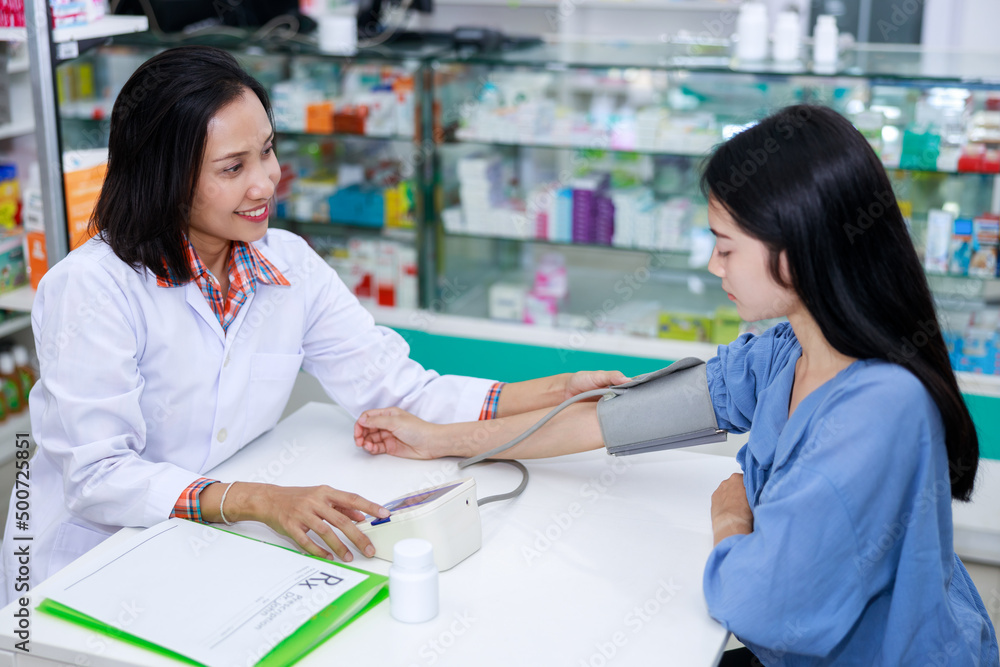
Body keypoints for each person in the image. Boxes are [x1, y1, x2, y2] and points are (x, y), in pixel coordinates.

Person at [355, 105, 1000, 665]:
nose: (712, 262)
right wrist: (441, 439)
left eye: (725, 245)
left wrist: (729, 520)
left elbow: (758, 605)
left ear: (798, 248)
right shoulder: (788, 351)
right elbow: (613, 418)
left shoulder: (878, 412)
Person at [0, 45, 628, 606]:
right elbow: (99, 476)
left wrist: (551, 392)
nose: (267, 180)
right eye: (232, 167)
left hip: (204, 544)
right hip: (86, 567)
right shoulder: (93, 288)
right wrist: (260, 499)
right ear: (164, 177)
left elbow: (399, 391)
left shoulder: (287, 262)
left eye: (268, 150)